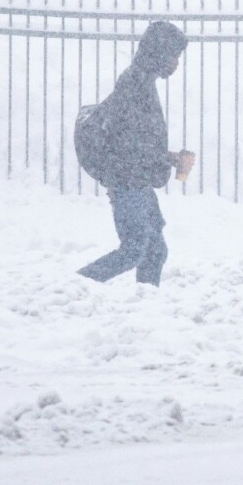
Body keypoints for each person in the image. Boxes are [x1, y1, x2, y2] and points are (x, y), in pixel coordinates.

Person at [77, 21, 193, 287]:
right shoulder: (134, 84)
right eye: (174, 55)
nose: (176, 63)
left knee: (154, 251)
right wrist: (167, 159)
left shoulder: (142, 81)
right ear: (160, 53)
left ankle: (146, 305)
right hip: (127, 180)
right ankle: (76, 286)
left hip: (136, 179)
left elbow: (139, 140)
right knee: (134, 249)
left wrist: (169, 158)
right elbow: (129, 142)